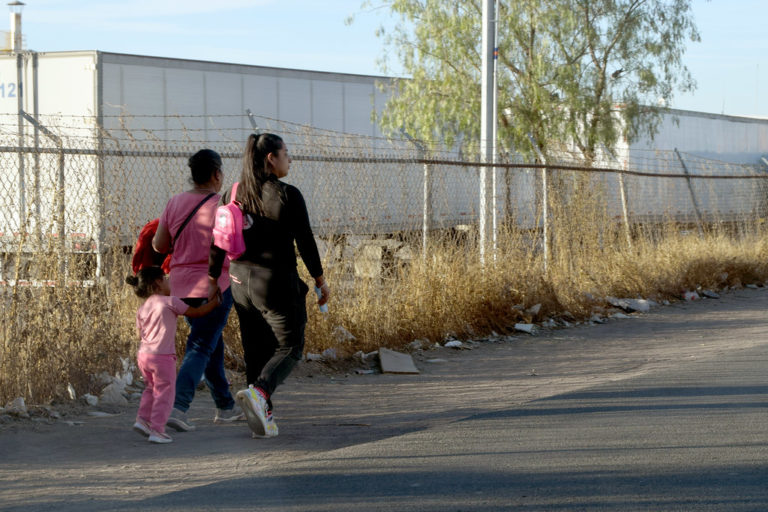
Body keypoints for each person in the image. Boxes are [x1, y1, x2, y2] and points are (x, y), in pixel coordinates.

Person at [208, 132, 329, 438]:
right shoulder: (287, 194)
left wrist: (212, 279)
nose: (290, 159)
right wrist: (319, 279)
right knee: (291, 347)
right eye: (286, 153)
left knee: (256, 351)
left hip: (239, 282)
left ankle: (263, 419)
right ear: (271, 158)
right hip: (274, 282)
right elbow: (305, 242)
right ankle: (260, 393)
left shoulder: (233, 192)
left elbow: (218, 239)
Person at [153, 149, 244, 431]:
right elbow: (238, 247)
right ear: (217, 174)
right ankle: (177, 407)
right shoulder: (224, 205)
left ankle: (225, 406)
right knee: (201, 345)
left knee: (209, 343)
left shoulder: (174, 202)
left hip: (181, 286)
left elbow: (159, 245)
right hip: (215, 286)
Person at [126, 267, 220, 444]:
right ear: (158, 282)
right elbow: (196, 312)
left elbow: (140, 334)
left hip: (144, 355)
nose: (170, 282)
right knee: (165, 393)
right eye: (167, 279)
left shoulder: (143, 307)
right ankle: (157, 430)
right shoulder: (170, 302)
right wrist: (214, 303)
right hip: (162, 357)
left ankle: (143, 420)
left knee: (150, 389)